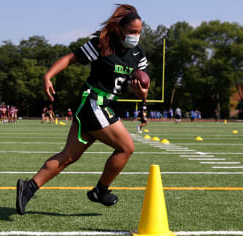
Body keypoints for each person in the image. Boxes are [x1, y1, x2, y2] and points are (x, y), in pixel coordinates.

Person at [16, 4, 149, 215]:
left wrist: (140, 93)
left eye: (139, 32)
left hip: (103, 105)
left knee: (69, 155)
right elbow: (70, 58)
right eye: (132, 32)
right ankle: (101, 191)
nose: (136, 36)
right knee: (126, 147)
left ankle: (28, 188)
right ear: (119, 29)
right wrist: (48, 76)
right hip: (93, 102)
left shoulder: (138, 54)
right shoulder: (102, 44)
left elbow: (143, 91)